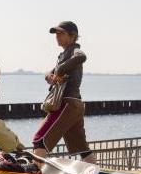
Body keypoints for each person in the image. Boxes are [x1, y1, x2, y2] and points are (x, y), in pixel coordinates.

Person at [32, 20, 96, 165]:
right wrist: (50, 75)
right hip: (75, 104)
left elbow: (82, 57)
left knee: (40, 139)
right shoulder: (64, 55)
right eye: (56, 34)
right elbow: (51, 73)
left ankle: (36, 173)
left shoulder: (75, 50)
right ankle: (95, 173)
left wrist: (60, 71)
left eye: (61, 33)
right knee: (82, 148)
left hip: (67, 103)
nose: (57, 36)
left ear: (73, 36)